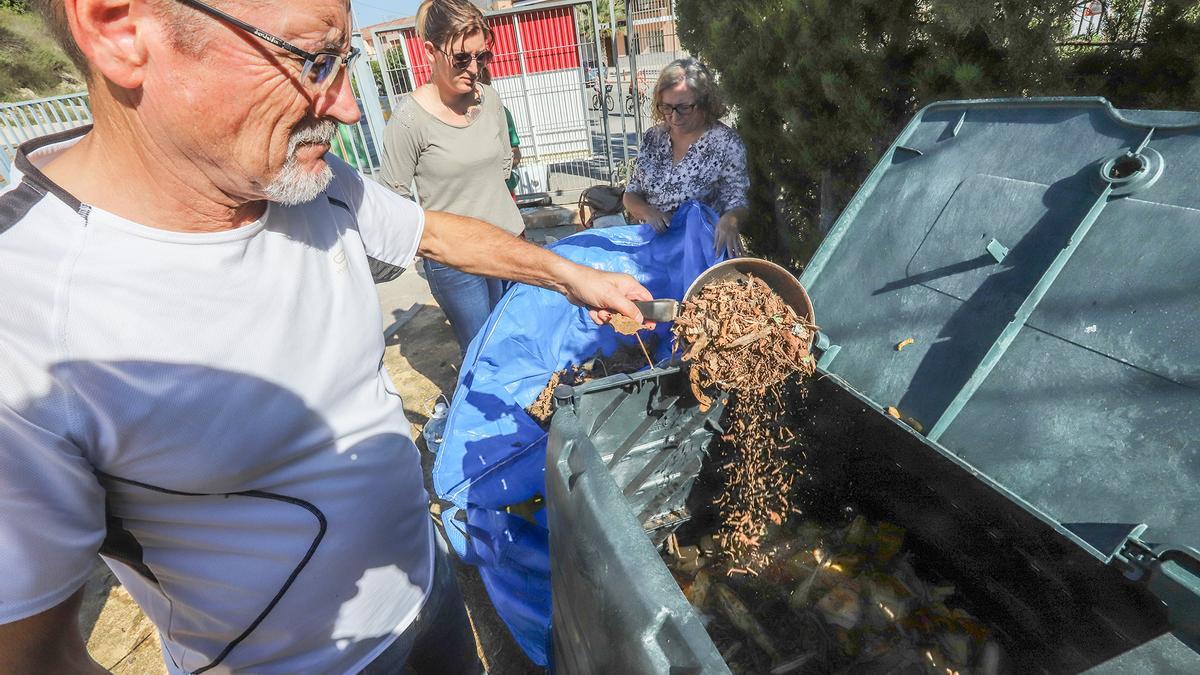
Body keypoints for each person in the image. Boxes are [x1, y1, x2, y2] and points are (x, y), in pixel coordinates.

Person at [0, 0, 649, 673]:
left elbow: (430, 230)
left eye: (346, 62)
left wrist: (570, 275)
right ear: (118, 28)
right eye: (313, 59)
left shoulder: (312, 181)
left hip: (430, 596)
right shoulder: (24, 315)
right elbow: (30, 657)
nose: (346, 107)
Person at [381, 0, 522, 354]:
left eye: (482, 57)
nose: (473, 68)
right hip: (457, 265)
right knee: (484, 353)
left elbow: (504, 164)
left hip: (510, 245)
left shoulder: (489, 100)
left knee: (519, 342)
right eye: (461, 58)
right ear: (430, 51)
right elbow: (391, 201)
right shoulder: (408, 121)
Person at [623, 58, 750, 257]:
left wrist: (730, 220)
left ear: (705, 103)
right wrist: (648, 212)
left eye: (684, 108)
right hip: (652, 248)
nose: (674, 117)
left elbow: (738, 203)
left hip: (697, 253)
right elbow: (631, 194)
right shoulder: (653, 138)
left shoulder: (726, 143)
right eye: (666, 107)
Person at [478, 66, 523, 197]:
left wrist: (506, 164)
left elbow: (515, 152)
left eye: (485, 86)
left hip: (503, 188)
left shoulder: (501, 112)